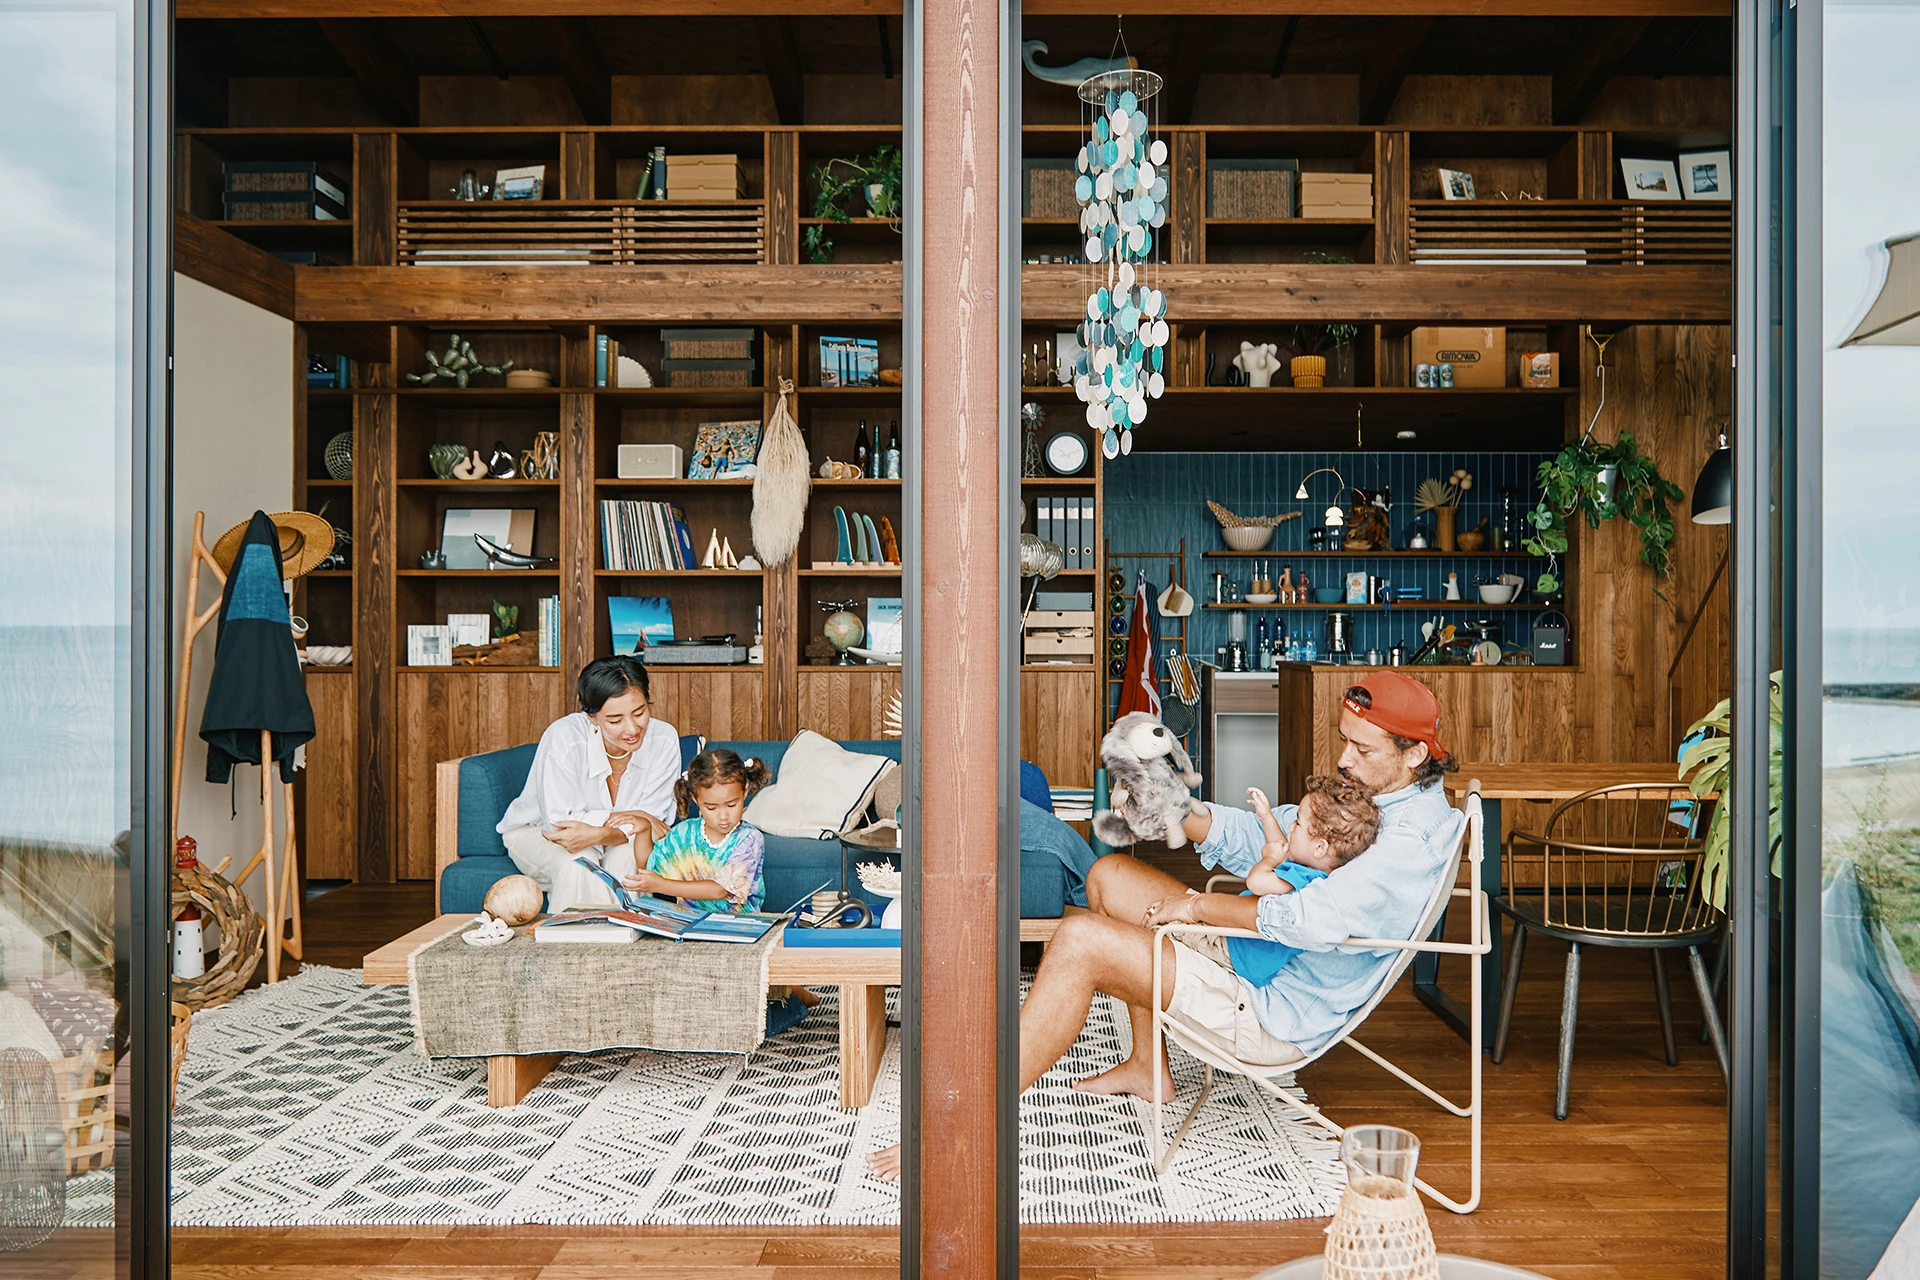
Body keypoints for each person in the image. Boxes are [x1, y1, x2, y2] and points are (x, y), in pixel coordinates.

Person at [867, 670, 1463, 1182]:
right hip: (1253, 955)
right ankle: (1150, 1067)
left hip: (1266, 1006)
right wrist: (1179, 809)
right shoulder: (1381, 800)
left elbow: (1304, 919)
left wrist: (1195, 909)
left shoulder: (1405, 841)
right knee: (1107, 876)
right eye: (1344, 742)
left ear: (1414, 753)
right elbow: (1272, 833)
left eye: (1362, 749)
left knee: (1079, 941)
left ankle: (959, 1133)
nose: (1343, 759)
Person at [496, 655, 681, 912]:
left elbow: (653, 822)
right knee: (581, 861)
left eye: (639, 713)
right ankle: (571, 948)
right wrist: (635, 817)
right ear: (591, 717)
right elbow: (562, 826)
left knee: (628, 861)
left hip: (623, 840)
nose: (632, 729)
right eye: (615, 720)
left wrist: (604, 832)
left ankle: (626, 940)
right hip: (538, 833)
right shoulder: (564, 737)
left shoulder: (664, 738)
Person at [625, 748, 771, 913]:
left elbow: (720, 890)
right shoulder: (684, 833)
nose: (723, 816)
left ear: (744, 791)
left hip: (738, 926)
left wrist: (662, 885)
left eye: (731, 805)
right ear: (696, 800)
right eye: (711, 808)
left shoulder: (749, 839)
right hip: (688, 923)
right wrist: (644, 831)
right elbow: (647, 866)